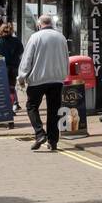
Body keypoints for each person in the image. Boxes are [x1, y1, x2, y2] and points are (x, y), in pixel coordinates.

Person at [18, 14, 69, 151]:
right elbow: (66, 58)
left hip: (37, 80)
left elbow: (27, 59)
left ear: (39, 25)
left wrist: (22, 77)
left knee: (31, 106)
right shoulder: (61, 37)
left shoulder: (35, 37)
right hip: (57, 80)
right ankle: (53, 141)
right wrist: (64, 75)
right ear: (51, 24)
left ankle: (40, 133)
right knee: (54, 111)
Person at [0, 22, 23, 108]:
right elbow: (21, 51)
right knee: (11, 88)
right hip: (14, 67)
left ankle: (5, 107)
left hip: (1, 67)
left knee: (3, 88)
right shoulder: (16, 41)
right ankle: (12, 106)